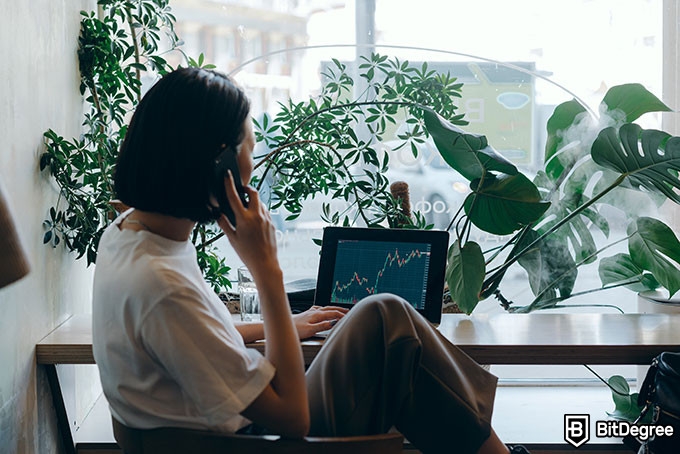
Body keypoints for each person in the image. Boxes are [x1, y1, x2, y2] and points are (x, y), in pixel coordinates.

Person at [92, 67, 529, 454]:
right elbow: (292, 415)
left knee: (385, 315)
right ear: (219, 162)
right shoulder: (163, 285)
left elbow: (196, 335)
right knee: (395, 329)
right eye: (250, 143)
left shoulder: (130, 235)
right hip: (259, 440)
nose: (255, 158)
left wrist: (280, 326)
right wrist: (267, 271)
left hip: (230, 426)